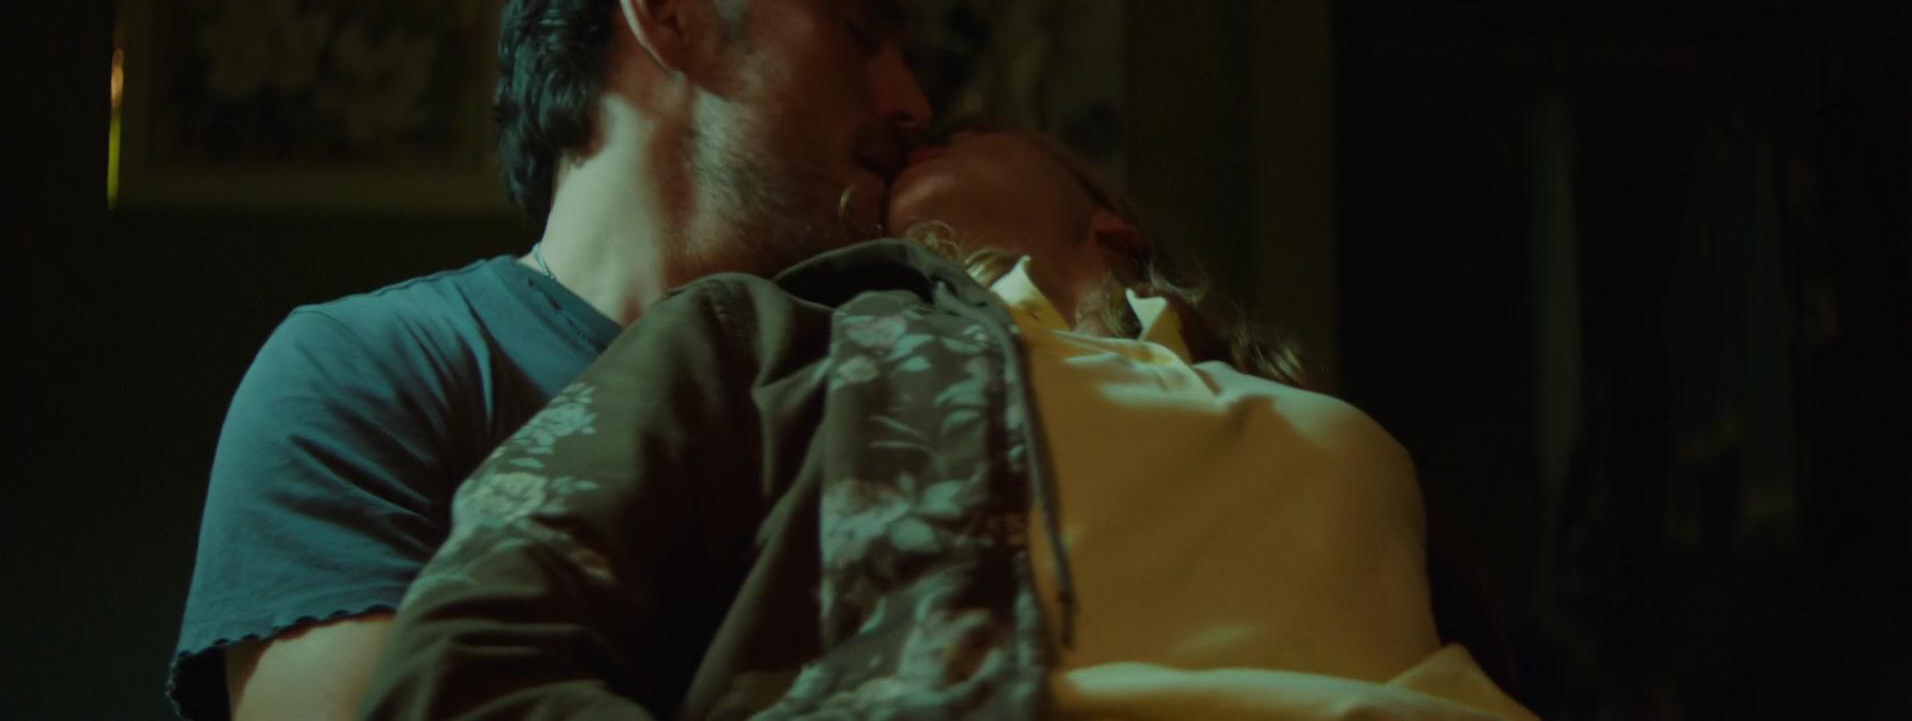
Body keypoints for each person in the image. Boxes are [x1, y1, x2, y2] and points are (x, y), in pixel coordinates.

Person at [357, 128, 1537, 719]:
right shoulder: (769, 343)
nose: (908, 130)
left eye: (958, 132)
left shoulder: (1320, 421)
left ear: (1108, 223)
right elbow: (473, 658)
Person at [168, 0, 931, 718]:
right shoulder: (372, 373)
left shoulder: (897, 388)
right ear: (665, 8)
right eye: (858, 33)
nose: (912, 103)